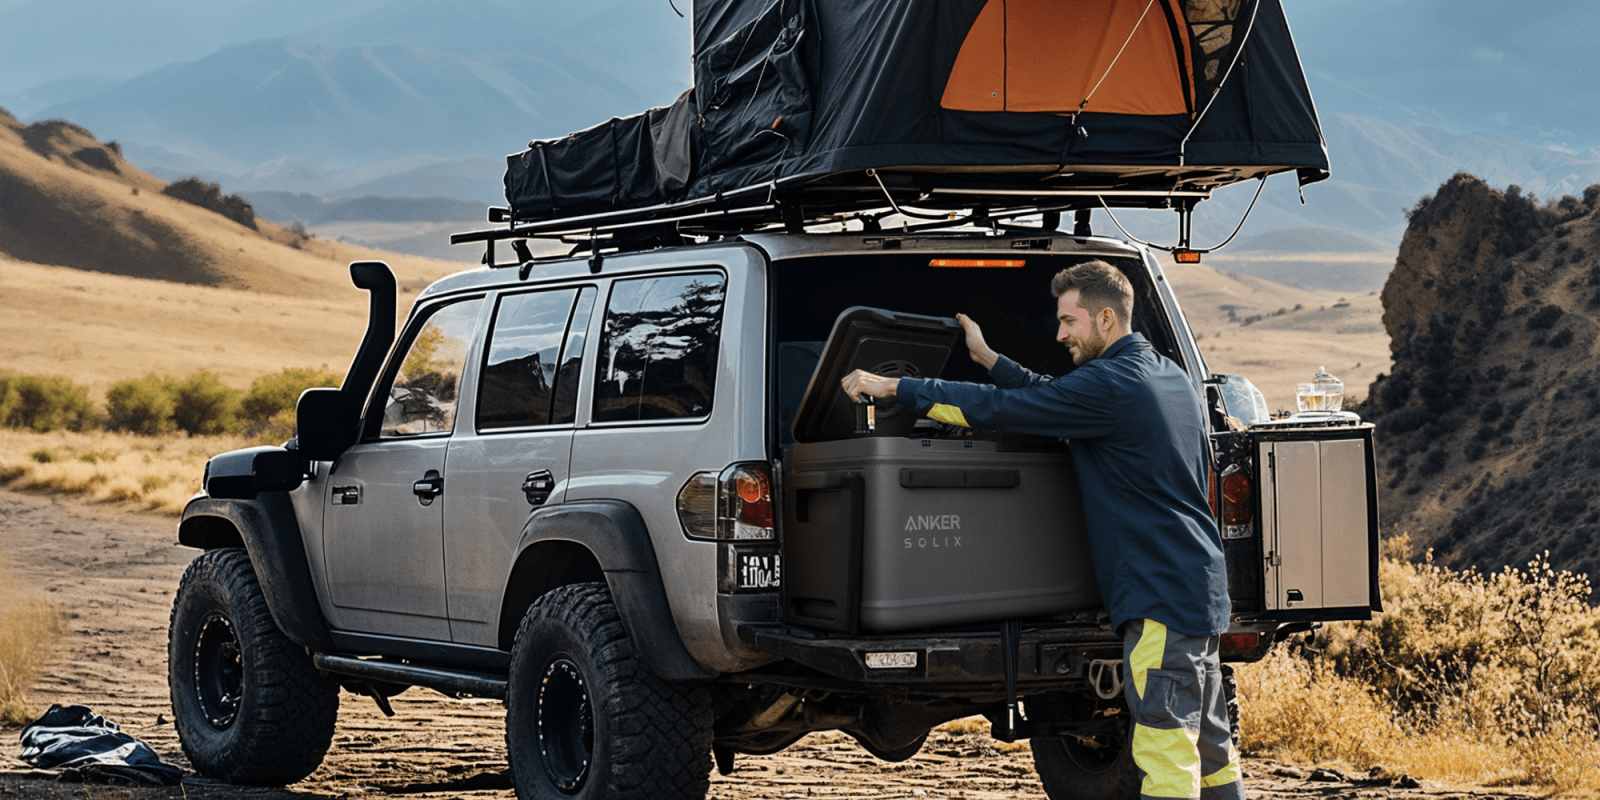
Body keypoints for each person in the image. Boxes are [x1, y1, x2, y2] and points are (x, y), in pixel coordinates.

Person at [841, 260, 1243, 800]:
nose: (1059, 334)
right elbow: (1057, 394)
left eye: (1069, 321)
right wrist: (990, 359)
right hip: (1199, 589)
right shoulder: (1164, 373)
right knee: (1212, 747)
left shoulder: (1112, 386)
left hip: (1157, 596)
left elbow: (1004, 410)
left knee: (1163, 753)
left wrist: (899, 387)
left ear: (1105, 318)